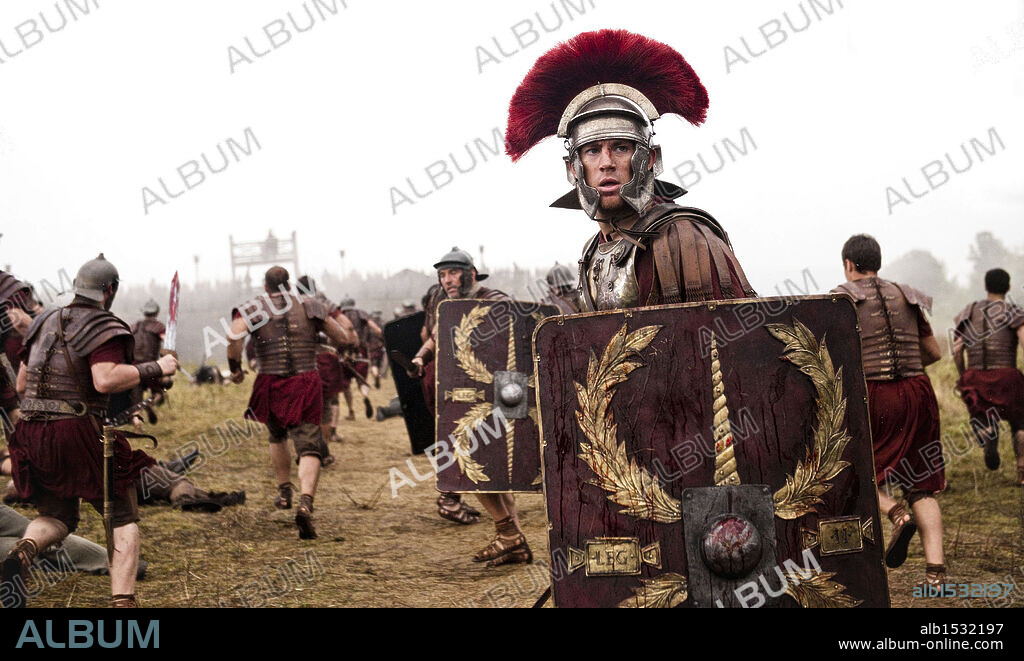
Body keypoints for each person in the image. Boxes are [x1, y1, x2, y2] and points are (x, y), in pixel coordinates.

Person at [505, 29, 755, 313]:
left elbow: (733, 342)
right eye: (592, 150)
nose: (606, 162)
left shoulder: (685, 237)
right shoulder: (593, 249)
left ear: (649, 158)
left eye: (621, 147)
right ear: (573, 169)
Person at [1, 254, 178, 608]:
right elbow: (105, 378)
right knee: (122, 515)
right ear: (110, 290)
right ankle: (123, 600)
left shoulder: (43, 322)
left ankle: (22, 552)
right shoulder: (105, 326)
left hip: (33, 431)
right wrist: (156, 367)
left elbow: (22, 385)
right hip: (77, 430)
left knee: (57, 516)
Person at [408, 247, 544, 565]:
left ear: (470, 273)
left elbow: (515, 341)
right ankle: (516, 544)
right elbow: (436, 337)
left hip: (499, 395)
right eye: (442, 275)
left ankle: (508, 534)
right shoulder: (443, 303)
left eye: (453, 273)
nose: (447, 280)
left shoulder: (495, 300)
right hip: (462, 396)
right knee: (484, 467)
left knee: (473, 464)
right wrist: (420, 357)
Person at [832, 234, 947, 590]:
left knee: (857, 469)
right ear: (877, 261)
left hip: (876, 394)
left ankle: (895, 514)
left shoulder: (842, 298)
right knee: (922, 484)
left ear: (849, 264)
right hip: (918, 391)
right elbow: (933, 352)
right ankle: (936, 574)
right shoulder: (906, 293)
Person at [226, 266, 357, 539]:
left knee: (277, 437)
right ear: (289, 286)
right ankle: (306, 503)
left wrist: (235, 367)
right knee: (309, 445)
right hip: (305, 381)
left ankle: (284, 492)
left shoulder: (254, 308)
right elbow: (344, 337)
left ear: (266, 287)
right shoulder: (312, 306)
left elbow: (233, 335)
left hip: (271, 380)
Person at [953, 268, 1024, 485]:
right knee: (1020, 423)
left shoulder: (970, 310)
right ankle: (1022, 471)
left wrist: (964, 375)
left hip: (976, 376)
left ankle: (987, 432)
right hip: (1007, 377)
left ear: (985, 287)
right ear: (1008, 287)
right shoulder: (1013, 311)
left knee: (981, 412)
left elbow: (956, 349)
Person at [338, 296, 383, 421]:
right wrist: (381, 337)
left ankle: (351, 411)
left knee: (346, 384)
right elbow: (376, 328)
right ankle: (365, 395)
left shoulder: (339, 314)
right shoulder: (360, 313)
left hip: (344, 353)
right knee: (361, 381)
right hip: (360, 352)